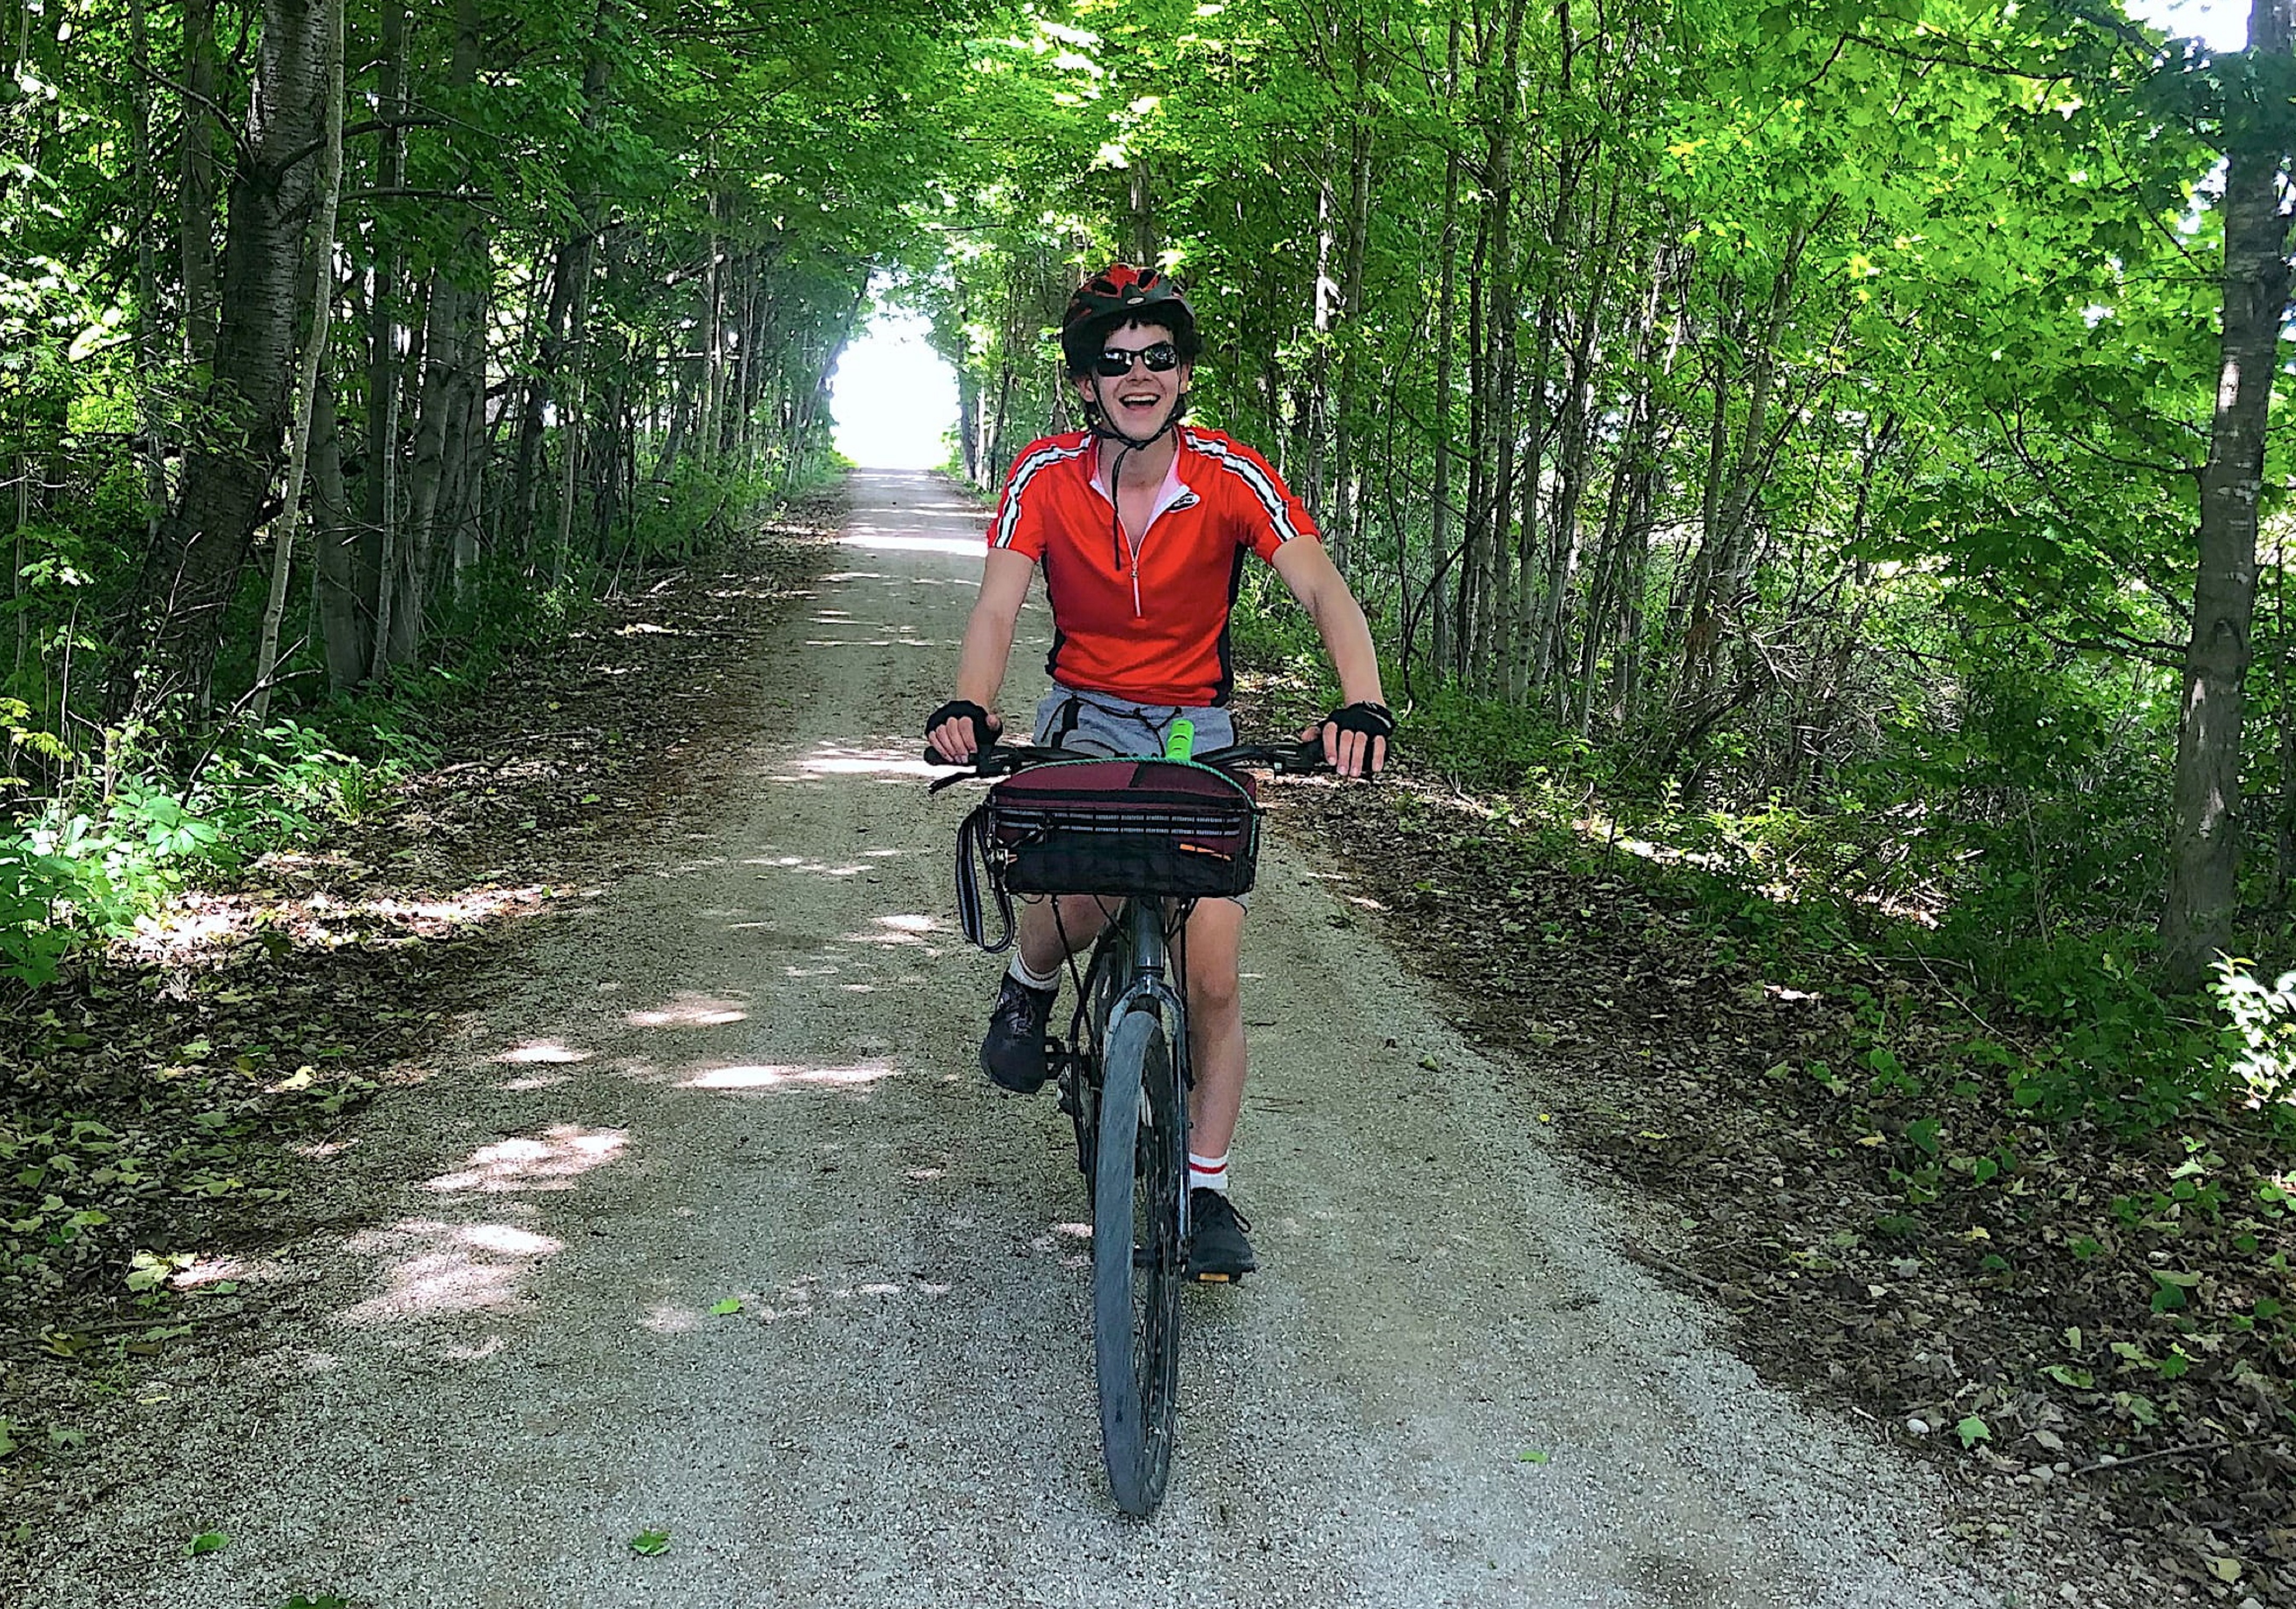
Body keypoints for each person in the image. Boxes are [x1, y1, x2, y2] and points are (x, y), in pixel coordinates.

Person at [926, 263, 1391, 1282]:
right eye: (1115, 361)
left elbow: (1320, 585)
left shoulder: (1229, 474)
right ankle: (1028, 981)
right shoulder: (1043, 476)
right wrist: (971, 702)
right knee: (1073, 892)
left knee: (1213, 974)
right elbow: (1000, 606)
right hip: (1087, 719)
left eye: (1159, 358)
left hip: (1196, 734)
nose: (1139, 375)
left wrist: (1360, 700)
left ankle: (1207, 1187)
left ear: (1183, 376)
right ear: (1086, 384)